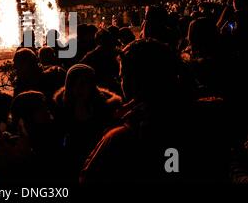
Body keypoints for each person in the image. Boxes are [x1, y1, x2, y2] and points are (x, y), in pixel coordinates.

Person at [80, 39, 230, 183]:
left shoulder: (122, 138)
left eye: (122, 77)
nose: (121, 82)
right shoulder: (213, 114)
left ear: (132, 81)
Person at [54, 64, 122, 180]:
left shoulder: (106, 107)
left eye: (85, 83)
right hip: (70, 162)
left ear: (92, 85)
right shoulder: (61, 106)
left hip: (97, 163)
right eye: (76, 83)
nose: (80, 87)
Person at [0, 91, 66, 183]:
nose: (47, 110)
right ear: (26, 117)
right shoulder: (12, 153)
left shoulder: (52, 137)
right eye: (40, 107)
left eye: (44, 106)